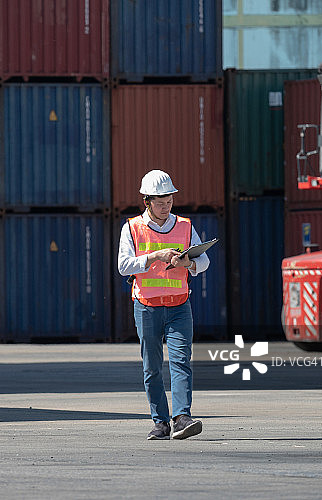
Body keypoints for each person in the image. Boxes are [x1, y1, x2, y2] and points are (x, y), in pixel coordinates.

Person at [117, 170, 210, 440]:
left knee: (181, 362)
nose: (166, 206)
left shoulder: (185, 226)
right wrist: (154, 256)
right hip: (146, 307)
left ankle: (182, 417)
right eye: (160, 202)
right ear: (146, 201)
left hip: (180, 306)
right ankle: (160, 422)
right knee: (152, 367)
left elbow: (203, 262)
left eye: (169, 201)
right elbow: (123, 266)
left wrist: (189, 263)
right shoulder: (132, 228)